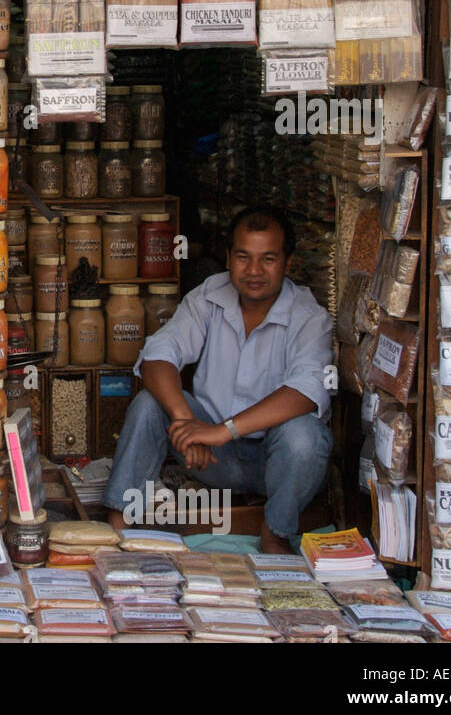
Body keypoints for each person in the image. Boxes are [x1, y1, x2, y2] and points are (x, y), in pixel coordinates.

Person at [103, 206, 334, 555]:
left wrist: (224, 429)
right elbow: (157, 356)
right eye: (243, 257)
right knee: (150, 404)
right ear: (228, 258)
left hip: (277, 464)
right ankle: (119, 524)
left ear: (288, 264)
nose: (254, 271)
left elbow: (307, 391)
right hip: (210, 457)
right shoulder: (210, 296)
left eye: (268, 259)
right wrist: (185, 420)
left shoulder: (309, 317)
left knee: (305, 435)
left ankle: (275, 533)